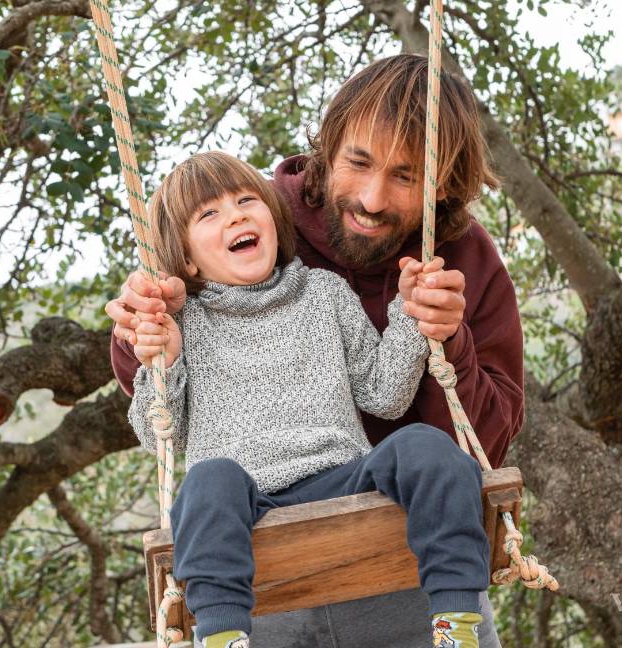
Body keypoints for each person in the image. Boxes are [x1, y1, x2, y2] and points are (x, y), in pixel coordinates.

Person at [109, 55, 523, 648]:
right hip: (259, 565)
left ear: (443, 187)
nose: (374, 197)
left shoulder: (420, 270)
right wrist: (148, 334)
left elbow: (388, 395)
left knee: (425, 450)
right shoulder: (198, 295)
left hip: (381, 536)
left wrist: (425, 323)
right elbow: (159, 428)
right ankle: (222, 637)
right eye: (359, 161)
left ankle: (453, 623)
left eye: (406, 177)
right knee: (209, 481)